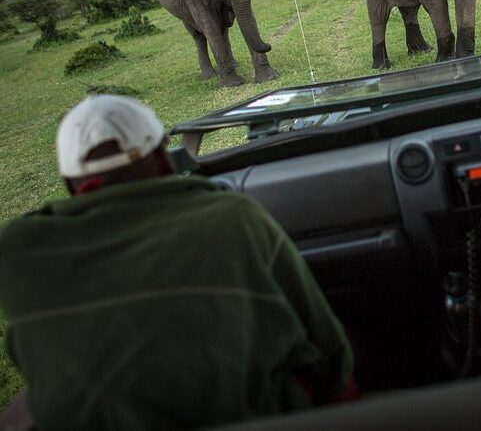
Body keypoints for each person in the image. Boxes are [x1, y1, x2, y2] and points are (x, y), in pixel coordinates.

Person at [0, 94, 355, 429]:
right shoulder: (233, 218)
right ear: (163, 157)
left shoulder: (17, 251)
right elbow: (328, 356)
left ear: (70, 184)